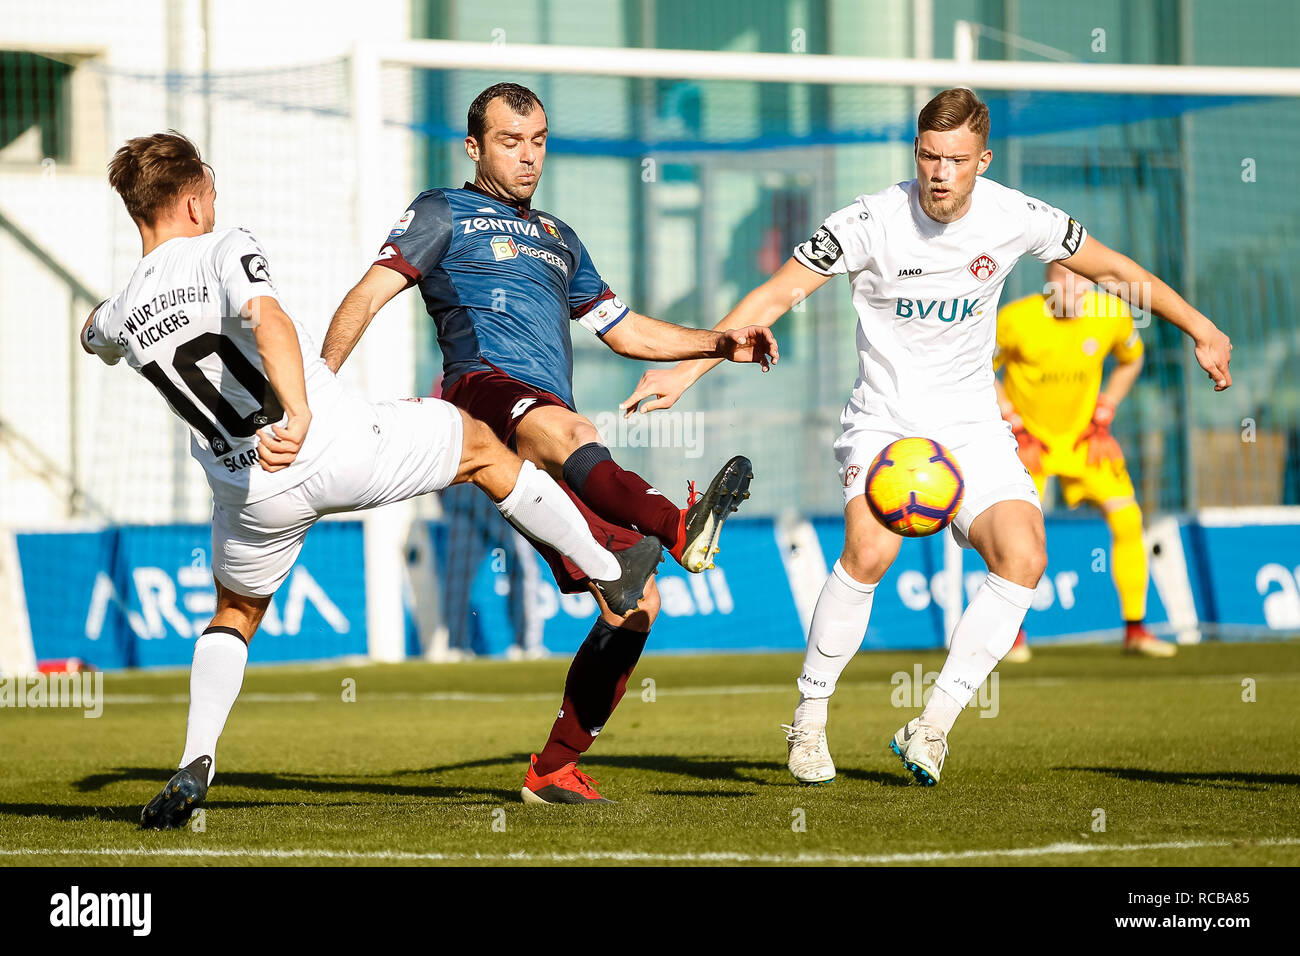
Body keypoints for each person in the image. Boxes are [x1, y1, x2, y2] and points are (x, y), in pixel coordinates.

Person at [622, 88, 1232, 788]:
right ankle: (810, 719)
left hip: (973, 430)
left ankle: (931, 726)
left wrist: (1200, 328)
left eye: (956, 160)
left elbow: (1116, 270)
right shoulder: (867, 221)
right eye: (928, 156)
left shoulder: (1017, 216)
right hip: (885, 422)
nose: (940, 172)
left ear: (984, 160)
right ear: (915, 152)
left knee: (1024, 555)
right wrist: (686, 371)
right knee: (872, 548)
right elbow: (772, 297)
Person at [83, 131, 661, 829]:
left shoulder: (125, 307)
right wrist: (296, 412)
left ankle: (196, 758)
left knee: (234, 614)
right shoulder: (222, 245)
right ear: (195, 198)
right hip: (327, 444)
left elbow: (96, 332)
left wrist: (107, 327)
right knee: (480, 447)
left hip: (247, 493)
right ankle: (608, 567)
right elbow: (267, 320)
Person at [320, 83, 777, 804]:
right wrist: (318, 389)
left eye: (537, 141)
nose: (528, 157)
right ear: (475, 147)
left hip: (545, 427)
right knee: (572, 430)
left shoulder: (561, 238)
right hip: (483, 393)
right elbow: (370, 292)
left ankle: (551, 768)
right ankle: (677, 525)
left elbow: (625, 331)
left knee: (634, 602)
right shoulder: (443, 211)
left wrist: (719, 343)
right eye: (510, 141)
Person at [996, 260, 1175, 661]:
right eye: (1064, 279)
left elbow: (1131, 360)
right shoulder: (1014, 320)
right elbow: (978, 370)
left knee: (1128, 519)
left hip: (1085, 442)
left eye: (1083, 281)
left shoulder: (1112, 315)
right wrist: (1014, 424)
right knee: (1019, 536)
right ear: (1048, 283)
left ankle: (1135, 630)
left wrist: (1105, 409)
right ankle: (1013, 637)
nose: (1074, 290)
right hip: (1030, 446)